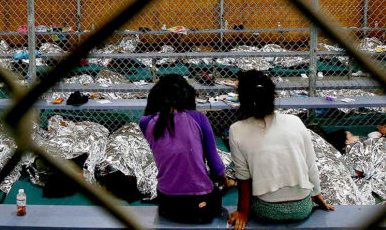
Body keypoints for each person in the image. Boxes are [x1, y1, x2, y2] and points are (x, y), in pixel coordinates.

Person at [228, 70, 333, 230]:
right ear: (273, 96)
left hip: (267, 210)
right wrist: (316, 195)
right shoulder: (295, 121)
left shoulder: (236, 130)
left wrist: (242, 212)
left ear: (242, 98)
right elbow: (311, 166)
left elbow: (244, 179)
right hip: (303, 208)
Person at [139, 74, 233, 223]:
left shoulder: (145, 122)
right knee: (217, 185)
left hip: (167, 203)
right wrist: (225, 179)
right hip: (200, 206)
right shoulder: (198, 118)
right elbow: (215, 164)